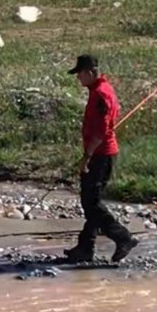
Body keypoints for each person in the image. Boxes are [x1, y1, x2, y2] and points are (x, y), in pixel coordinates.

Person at [63, 54, 138, 263]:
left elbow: (100, 131)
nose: (78, 78)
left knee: (91, 202)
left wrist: (86, 156)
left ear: (88, 72)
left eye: (79, 74)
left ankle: (123, 237)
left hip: (101, 154)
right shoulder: (101, 90)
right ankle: (85, 248)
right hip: (101, 152)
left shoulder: (101, 94)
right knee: (91, 201)